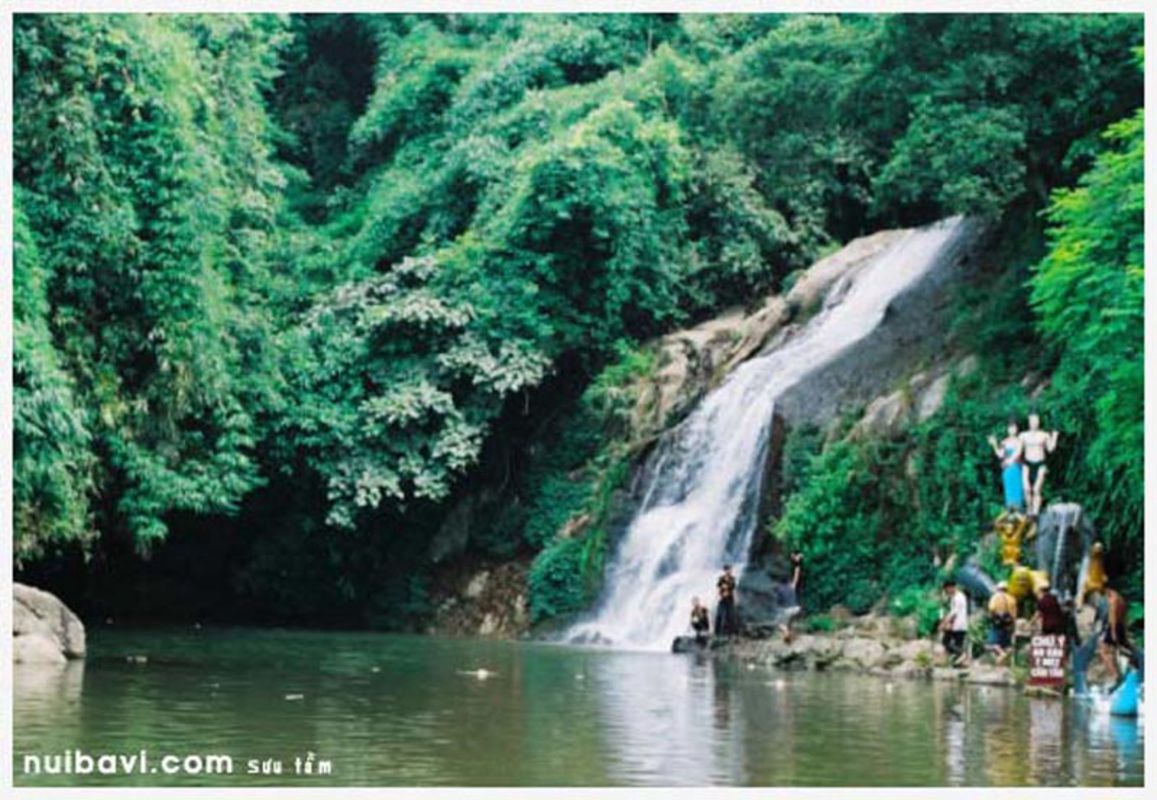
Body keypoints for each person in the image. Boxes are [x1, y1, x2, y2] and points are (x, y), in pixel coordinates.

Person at [1018, 414, 1059, 517]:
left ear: (1039, 422)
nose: (1034, 423)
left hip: (1040, 463)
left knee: (1036, 489)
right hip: (1027, 463)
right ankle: (1029, 509)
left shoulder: (1044, 435)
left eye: (1036, 421)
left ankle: (1035, 513)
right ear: (1029, 422)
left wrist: (1054, 436)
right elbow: (1018, 450)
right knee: (1027, 489)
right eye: (1032, 421)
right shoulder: (1023, 435)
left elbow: (1050, 449)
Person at [1096, 584, 1132, 685]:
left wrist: (1112, 632)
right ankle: (1119, 673)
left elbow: (1112, 617)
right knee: (1115, 651)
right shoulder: (1121, 601)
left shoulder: (1113, 600)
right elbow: (1124, 618)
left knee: (1103, 651)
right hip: (1120, 627)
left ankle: (1114, 675)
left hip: (1113, 627)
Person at [988, 421, 1025, 512]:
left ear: (1016, 429)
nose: (1012, 430)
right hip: (1007, 469)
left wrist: (1008, 462)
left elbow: (1018, 453)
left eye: (1013, 427)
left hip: (1015, 467)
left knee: (1017, 488)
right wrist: (994, 444)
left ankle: (1018, 509)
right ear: (1007, 429)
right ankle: (1010, 509)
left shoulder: (1019, 440)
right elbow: (1000, 455)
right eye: (1010, 427)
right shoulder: (1004, 441)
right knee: (1008, 489)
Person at [940, 580, 970, 667]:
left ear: (951, 587)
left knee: (945, 642)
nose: (946, 591)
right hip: (959, 625)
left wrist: (944, 623)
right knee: (957, 645)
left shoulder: (958, 597)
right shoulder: (956, 597)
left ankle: (962, 654)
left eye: (947, 589)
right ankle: (959, 663)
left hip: (958, 625)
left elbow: (954, 613)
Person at [986, 581, 1017, 665]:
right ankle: (1005, 661)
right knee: (1006, 644)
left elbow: (992, 608)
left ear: (998, 588)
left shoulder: (995, 597)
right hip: (1008, 624)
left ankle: (1002, 654)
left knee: (991, 643)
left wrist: (992, 616)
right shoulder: (1012, 598)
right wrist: (1013, 625)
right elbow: (1014, 614)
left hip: (998, 623)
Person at [715, 565, 738, 638]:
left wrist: (736, 598)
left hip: (730, 599)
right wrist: (719, 596)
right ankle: (719, 633)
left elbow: (734, 589)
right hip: (722, 599)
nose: (729, 571)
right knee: (721, 615)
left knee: (731, 616)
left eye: (730, 570)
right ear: (725, 571)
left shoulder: (733, 579)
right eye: (727, 570)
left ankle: (731, 633)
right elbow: (718, 589)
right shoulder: (721, 579)